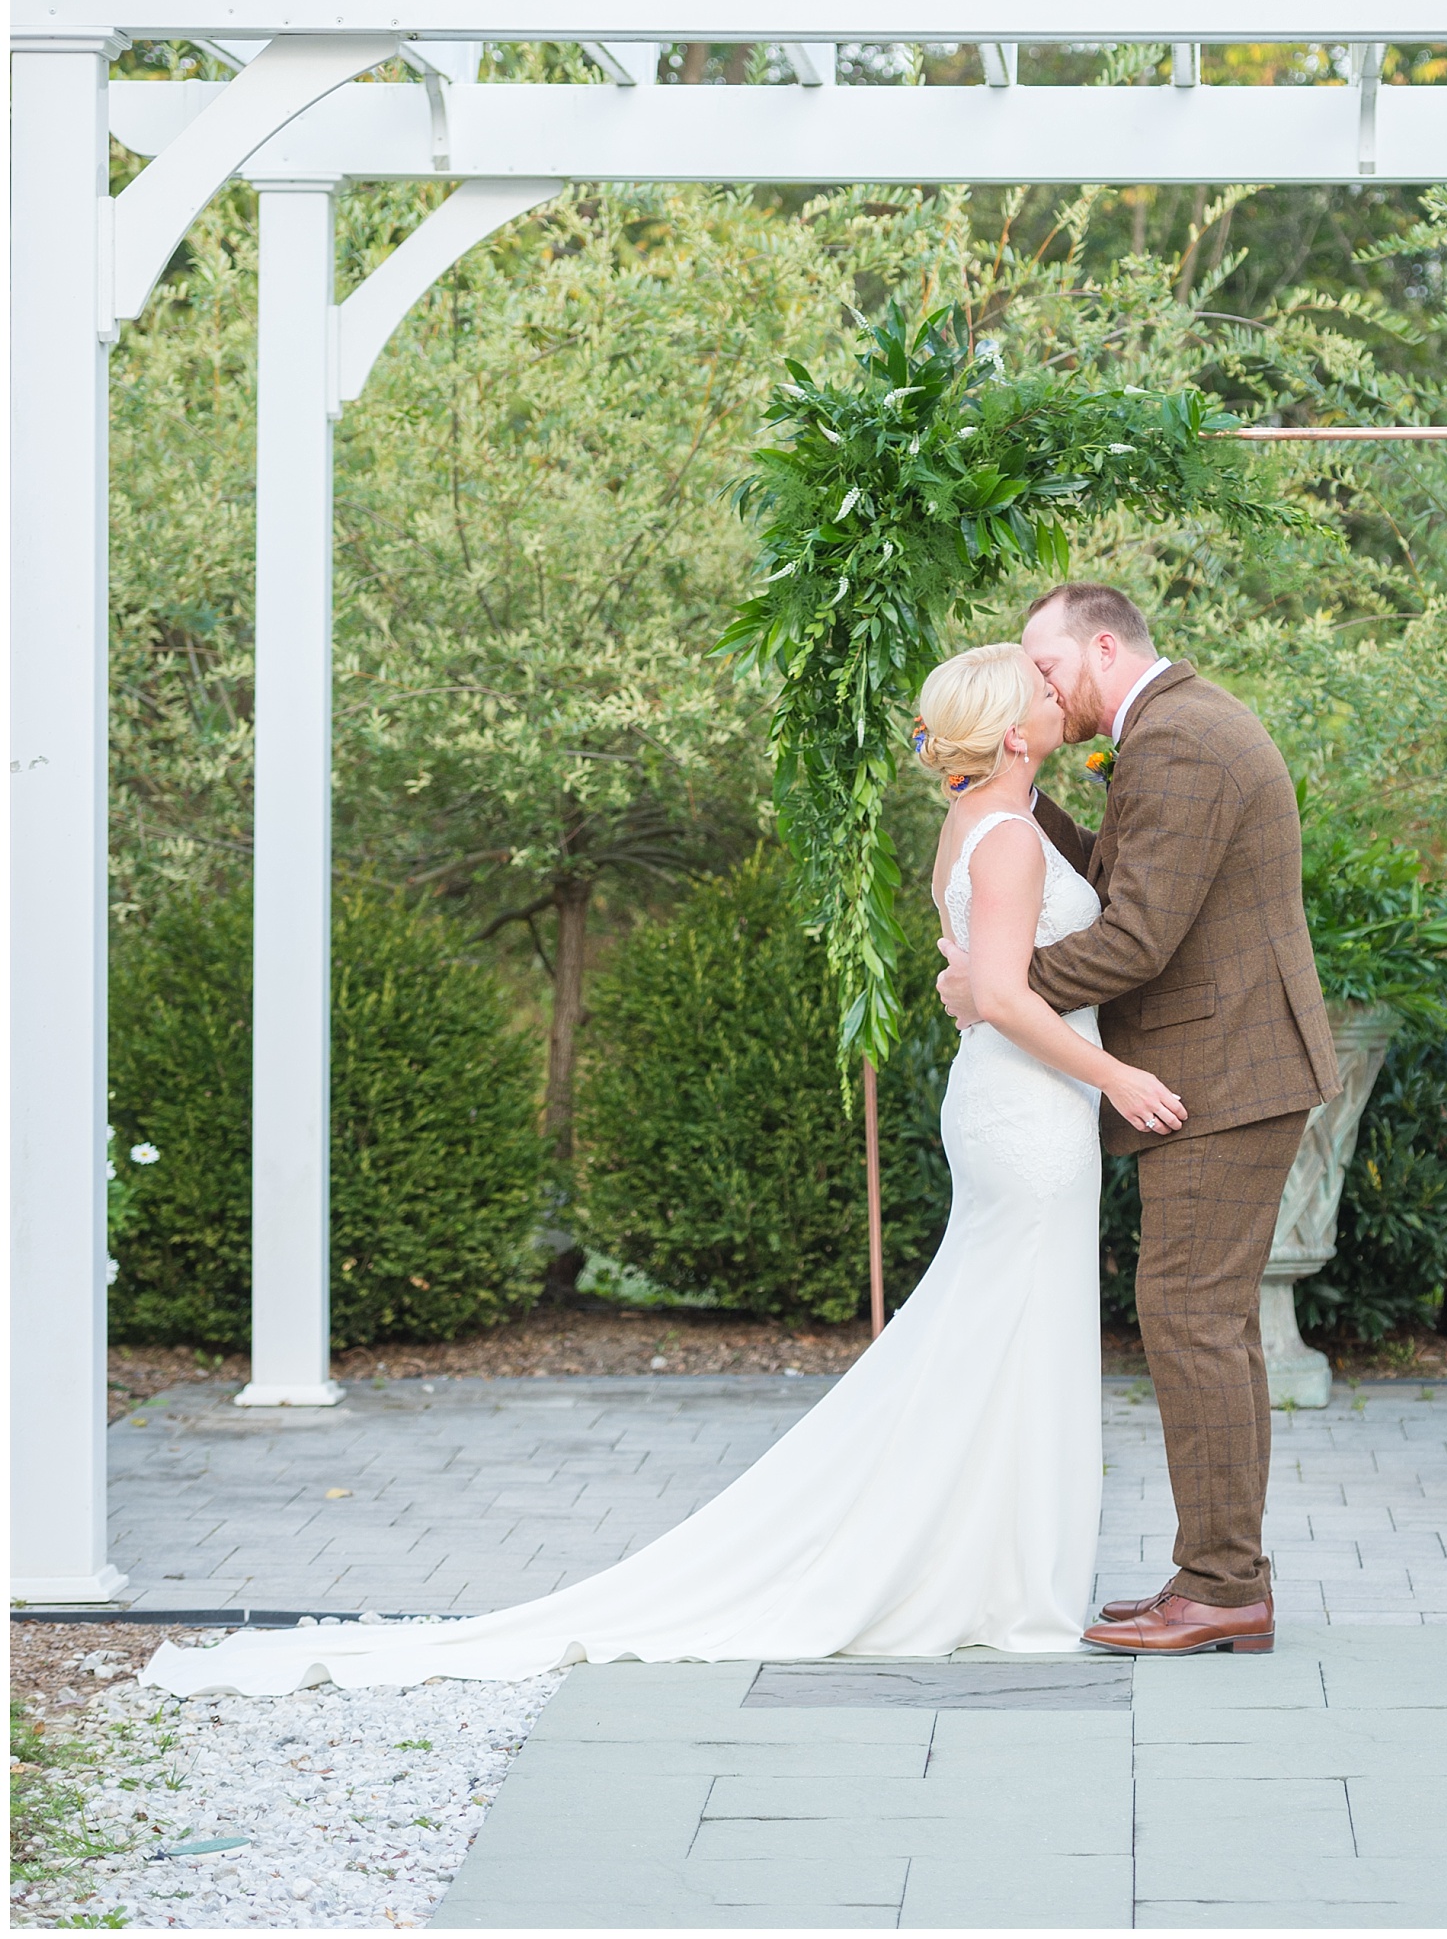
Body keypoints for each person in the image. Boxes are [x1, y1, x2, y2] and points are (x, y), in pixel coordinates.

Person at [140, 642, 1185, 1699]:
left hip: (1015, 1105)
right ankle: (985, 1577)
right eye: (1046, 694)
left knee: (996, 1337)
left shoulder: (975, 824)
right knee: (1007, 1333)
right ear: (1013, 731)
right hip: (1030, 1113)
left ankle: (985, 1569)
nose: (1064, 699)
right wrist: (1121, 1076)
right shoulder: (1005, 839)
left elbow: (976, 977)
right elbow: (1002, 993)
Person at [937, 583, 1338, 1657]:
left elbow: (1135, 939)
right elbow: (1114, 877)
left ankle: (1220, 1589)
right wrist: (996, 786)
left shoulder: (1183, 743)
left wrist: (995, 986)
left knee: (1190, 1318)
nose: (1038, 684)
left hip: (1224, 1073)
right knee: (1206, 1322)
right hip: (1224, 1065)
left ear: (1102, 646)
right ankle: (1220, 1577)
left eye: (1047, 665)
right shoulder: (1165, 729)